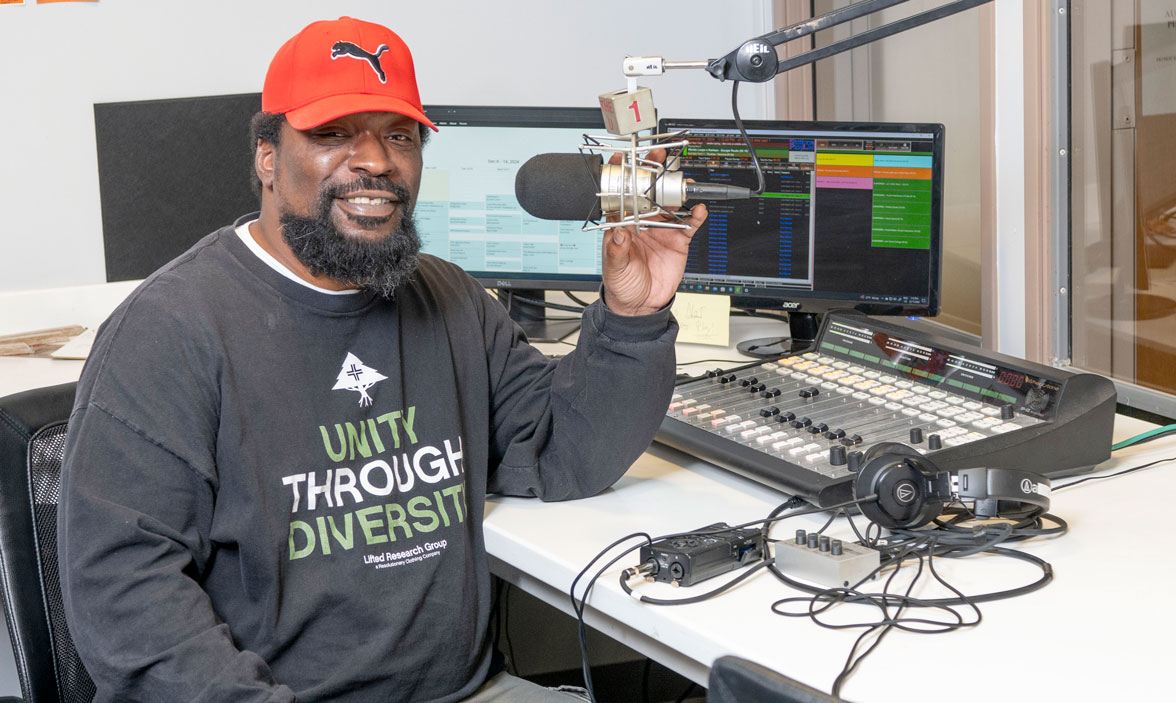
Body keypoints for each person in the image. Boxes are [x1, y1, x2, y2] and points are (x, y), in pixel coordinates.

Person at [57, 16, 707, 703]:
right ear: (267, 156)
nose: (374, 160)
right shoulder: (169, 330)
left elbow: (563, 448)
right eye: (333, 133)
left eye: (399, 136)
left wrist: (633, 317)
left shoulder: (449, 298)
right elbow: (124, 594)